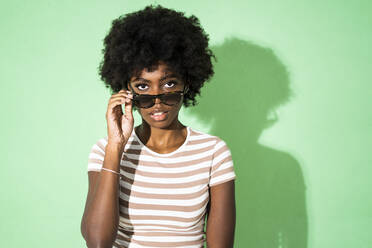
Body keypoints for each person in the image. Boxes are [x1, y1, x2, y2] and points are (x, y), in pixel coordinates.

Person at [81, 4, 236, 248]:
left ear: (187, 83)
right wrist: (115, 147)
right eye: (143, 87)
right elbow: (97, 241)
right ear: (127, 92)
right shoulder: (104, 151)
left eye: (168, 85)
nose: (157, 101)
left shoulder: (213, 153)